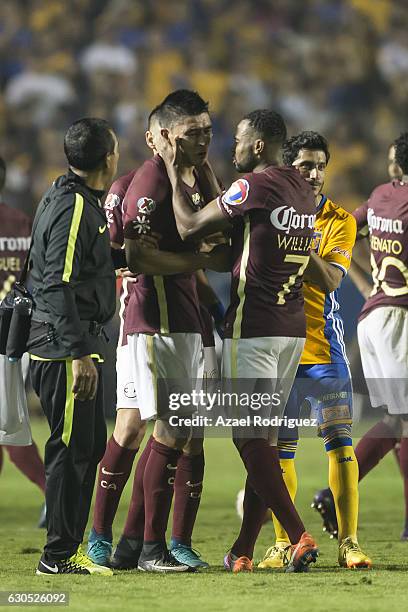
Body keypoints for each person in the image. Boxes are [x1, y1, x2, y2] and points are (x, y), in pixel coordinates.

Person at [158, 109, 319, 573]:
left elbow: (189, 225)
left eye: (239, 141)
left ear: (260, 146)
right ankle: (242, 550)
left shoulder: (255, 186)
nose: (233, 149)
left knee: (246, 435)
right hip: (291, 331)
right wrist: (210, 177)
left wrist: (173, 167)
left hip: (253, 327)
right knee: (263, 443)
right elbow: (243, 244)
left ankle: (297, 534)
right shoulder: (301, 190)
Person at [87, 100, 224, 571]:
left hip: (186, 322)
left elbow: (219, 245)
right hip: (150, 324)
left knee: (184, 431)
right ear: (159, 136)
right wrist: (198, 259)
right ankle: (121, 540)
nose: (202, 139)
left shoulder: (193, 178)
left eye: (207, 130)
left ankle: (143, 544)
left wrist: (212, 302)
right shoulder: (141, 184)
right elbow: (131, 258)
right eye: (192, 132)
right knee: (142, 427)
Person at [255, 131, 371, 570]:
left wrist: (296, 240)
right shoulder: (266, 214)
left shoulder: (339, 220)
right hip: (279, 351)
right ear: (288, 168)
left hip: (324, 352)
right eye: (305, 165)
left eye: (321, 165)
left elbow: (330, 280)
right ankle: (285, 542)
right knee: (280, 450)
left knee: (340, 441)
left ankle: (349, 543)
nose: (315, 173)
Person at [28, 118, 120, 576]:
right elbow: (55, 281)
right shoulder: (76, 207)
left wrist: (119, 259)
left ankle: (70, 550)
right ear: (109, 157)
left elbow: (73, 268)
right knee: (70, 448)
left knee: (88, 444)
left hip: (68, 339)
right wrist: (77, 352)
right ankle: (57, 556)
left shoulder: (66, 196)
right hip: (64, 346)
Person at [314, 136, 408, 542]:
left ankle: (400, 519)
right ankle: (334, 498)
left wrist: (364, 282)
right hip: (398, 319)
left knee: (396, 421)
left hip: (373, 318)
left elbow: (350, 231)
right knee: (399, 421)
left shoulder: (381, 196)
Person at [0, 156, 46, 527]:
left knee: (9, 432)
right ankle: (53, 494)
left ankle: (53, 493)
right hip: (16, 334)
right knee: (8, 427)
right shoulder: (21, 222)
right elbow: (38, 274)